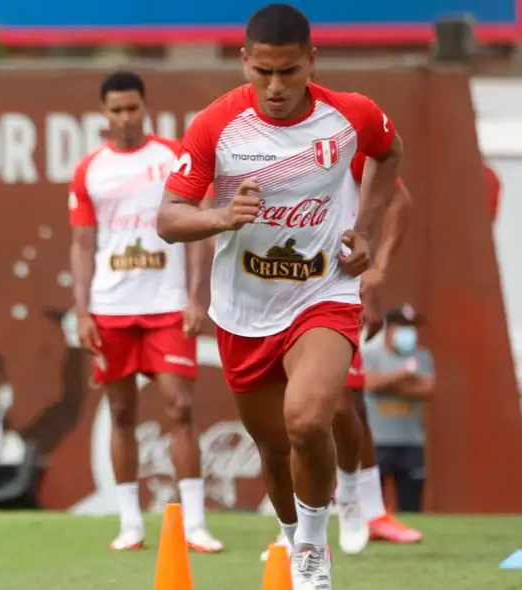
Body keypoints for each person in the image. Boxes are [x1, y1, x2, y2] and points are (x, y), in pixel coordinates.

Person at [156, 4, 402, 588]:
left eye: (288, 72)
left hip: (324, 294)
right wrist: (220, 218)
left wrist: (363, 229)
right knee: (273, 449)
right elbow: (168, 218)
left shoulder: (352, 115)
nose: (274, 86)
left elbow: (389, 155)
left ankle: (315, 549)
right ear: (244, 62)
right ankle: (293, 538)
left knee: (306, 418)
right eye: (261, 72)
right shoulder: (217, 125)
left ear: (311, 61)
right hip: (244, 310)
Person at [68, 71, 223, 553]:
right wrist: (83, 309)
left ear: (145, 106)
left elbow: (198, 226)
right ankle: (130, 522)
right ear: (103, 113)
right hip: (112, 306)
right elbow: (81, 243)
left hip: (166, 304)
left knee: (180, 405)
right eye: (116, 110)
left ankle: (194, 522)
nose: (125, 117)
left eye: (132, 108)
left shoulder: (174, 158)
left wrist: (198, 297)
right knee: (120, 411)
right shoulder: (89, 169)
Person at [259, 152, 417, 561]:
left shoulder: (342, 142)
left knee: (343, 405)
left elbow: (398, 200)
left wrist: (377, 273)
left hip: (330, 297)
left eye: (291, 81)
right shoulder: (248, 144)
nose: (278, 86)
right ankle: (295, 530)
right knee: (286, 419)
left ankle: (351, 498)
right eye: (268, 80)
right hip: (270, 300)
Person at [363, 304, 434, 513]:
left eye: (411, 327)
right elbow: (371, 384)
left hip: (411, 441)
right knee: (374, 502)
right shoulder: (371, 354)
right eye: (403, 326)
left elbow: (427, 389)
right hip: (377, 441)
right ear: (389, 328)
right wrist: (404, 375)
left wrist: (389, 385)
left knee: (412, 501)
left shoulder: (422, 356)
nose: (408, 332)